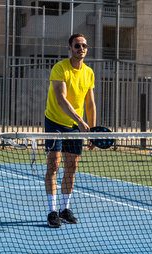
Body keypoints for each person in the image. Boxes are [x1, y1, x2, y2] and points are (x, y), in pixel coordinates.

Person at [44, 33, 96, 228]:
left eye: (83, 45)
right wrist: (81, 122)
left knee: (72, 167)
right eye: (77, 45)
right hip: (55, 122)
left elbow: (90, 103)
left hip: (76, 125)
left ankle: (65, 209)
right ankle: (52, 212)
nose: (80, 48)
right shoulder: (60, 69)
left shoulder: (89, 72)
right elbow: (61, 100)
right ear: (69, 48)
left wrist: (92, 130)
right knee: (53, 166)